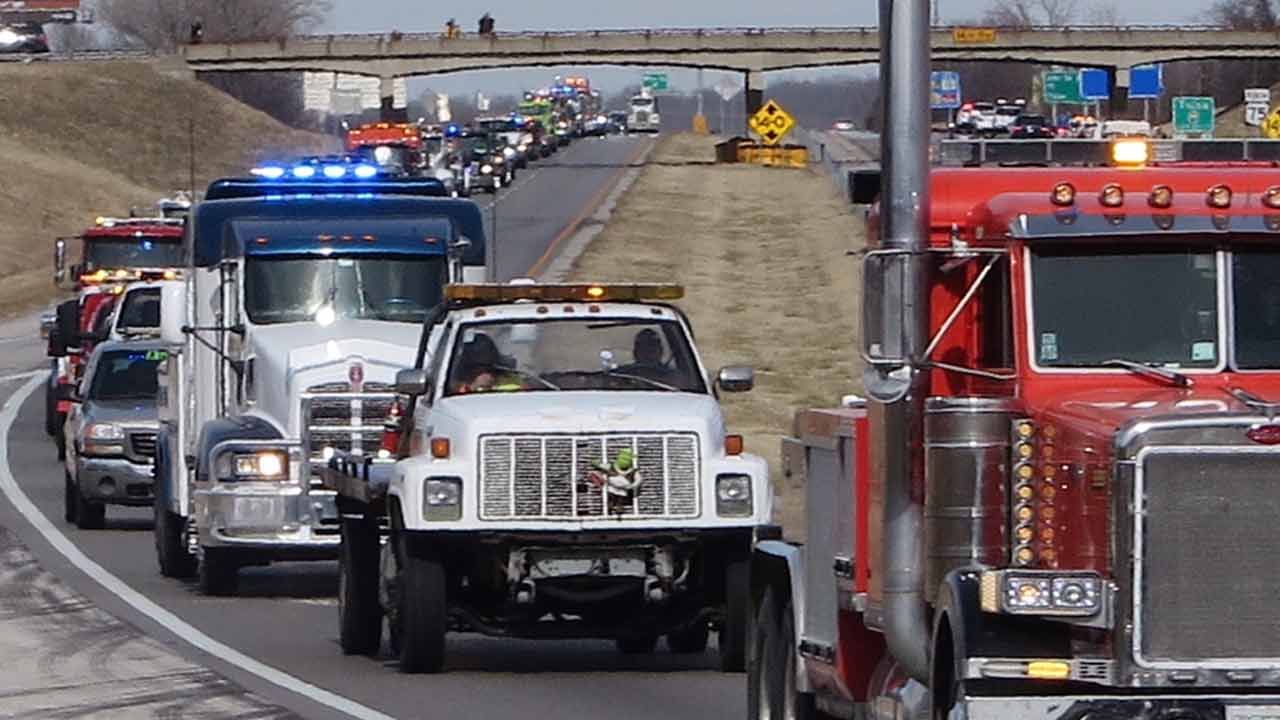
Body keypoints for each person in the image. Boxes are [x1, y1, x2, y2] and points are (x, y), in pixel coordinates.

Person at [450, 333, 520, 393]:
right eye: (475, 369)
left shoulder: (513, 382)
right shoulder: (453, 384)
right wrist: (473, 388)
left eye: (486, 368)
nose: (483, 375)